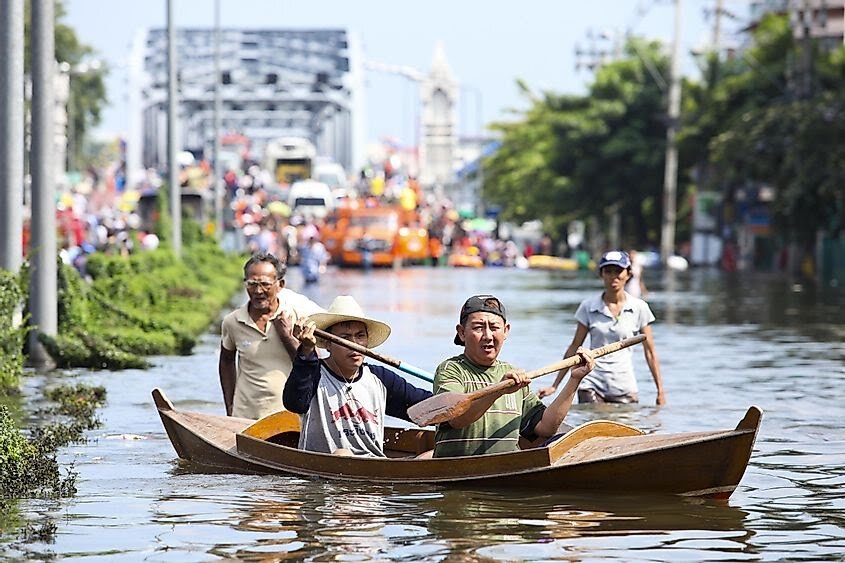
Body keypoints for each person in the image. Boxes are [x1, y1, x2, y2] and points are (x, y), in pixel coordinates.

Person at [432, 295, 595, 458]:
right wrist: (499, 391)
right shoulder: (450, 370)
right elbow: (457, 419)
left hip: (509, 466)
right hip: (458, 468)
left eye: (494, 328)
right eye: (479, 327)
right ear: (462, 333)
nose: (488, 336)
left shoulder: (512, 373)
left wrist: (574, 380)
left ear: (506, 331)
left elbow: (546, 427)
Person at [284, 296, 433, 457]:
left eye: (360, 336)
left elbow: (422, 407)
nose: (354, 344)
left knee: (433, 455)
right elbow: (294, 403)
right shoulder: (313, 373)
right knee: (342, 454)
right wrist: (306, 350)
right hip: (326, 464)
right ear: (328, 343)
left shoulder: (380, 378)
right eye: (345, 338)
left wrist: (452, 403)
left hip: (375, 466)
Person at [538, 250, 666, 405]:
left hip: (624, 385)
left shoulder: (639, 307)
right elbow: (574, 346)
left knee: (626, 419)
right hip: (592, 382)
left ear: (628, 274)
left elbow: (650, 351)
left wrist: (660, 391)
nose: (613, 276)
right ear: (601, 274)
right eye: (608, 271)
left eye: (618, 271)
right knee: (595, 415)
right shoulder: (589, 307)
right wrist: (555, 385)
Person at [219, 252, 324, 419]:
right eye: (252, 284)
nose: (258, 291)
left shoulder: (296, 318)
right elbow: (226, 361)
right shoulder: (232, 322)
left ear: (280, 284)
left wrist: (287, 336)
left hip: (289, 417)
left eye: (265, 284)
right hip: (245, 416)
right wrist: (230, 406)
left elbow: (313, 367)